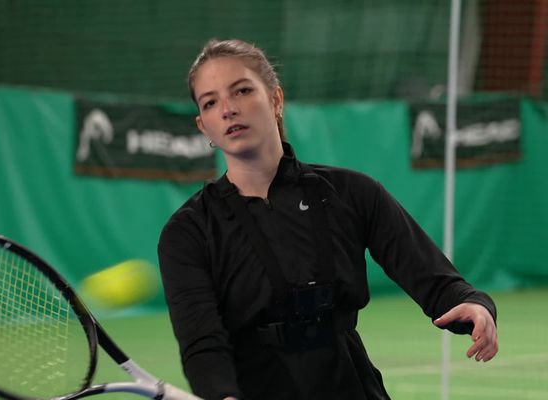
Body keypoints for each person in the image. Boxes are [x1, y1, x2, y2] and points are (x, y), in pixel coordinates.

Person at [157, 38, 498, 400]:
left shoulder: (352, 192)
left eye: (241, 91)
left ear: (275, 99)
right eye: (210, 102)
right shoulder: (187, 232)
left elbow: (435, 280)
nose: (227, 109)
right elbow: (202, 342)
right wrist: (221, 394)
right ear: (203, 126)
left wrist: (476, 305)